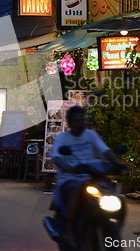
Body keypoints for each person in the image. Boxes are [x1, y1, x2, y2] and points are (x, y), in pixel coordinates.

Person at [50, 105, 122, 245]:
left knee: (114, 191)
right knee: (78, 190)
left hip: (92, 178)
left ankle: (113, 224)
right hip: (70, 179)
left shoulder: (91, 135)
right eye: (77, 121)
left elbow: (105, 151)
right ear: (69, 123)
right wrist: (69, 168)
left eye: (82, 120)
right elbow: (57, 157)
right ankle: (70, 229)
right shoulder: (62, 139)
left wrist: (117, 163)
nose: (80, 123)